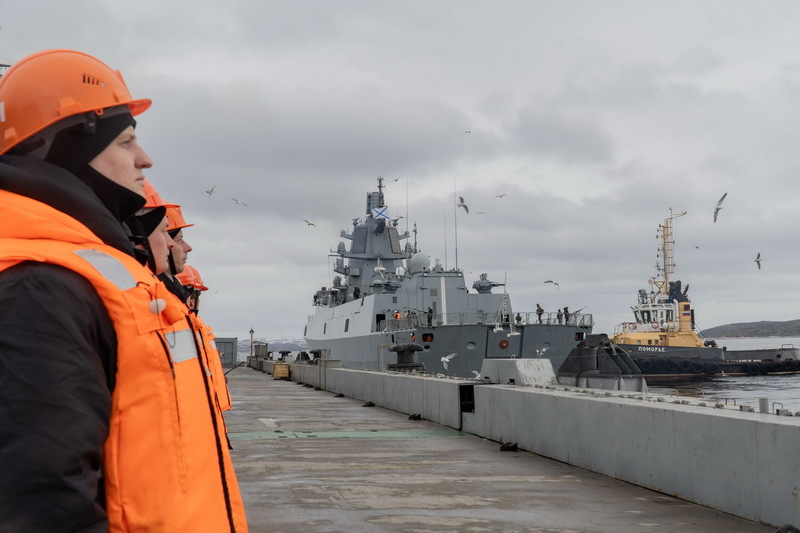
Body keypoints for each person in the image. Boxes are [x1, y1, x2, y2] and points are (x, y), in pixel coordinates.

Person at [0, 50, 247, 531]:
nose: (144, 159)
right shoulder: (41, 288)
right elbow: (38, 502)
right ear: (68, 150)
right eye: (126, 141)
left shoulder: (80, 276)